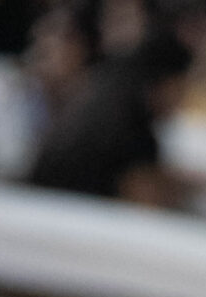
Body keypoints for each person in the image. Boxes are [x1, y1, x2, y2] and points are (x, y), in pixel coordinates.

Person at [27, 21, 190, 200]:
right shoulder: (128, 123)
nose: (180, 102)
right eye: (180, 89)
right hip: (58, 206)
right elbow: (146, 198)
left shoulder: (102, 90)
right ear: (164, 84)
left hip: (41, 200)